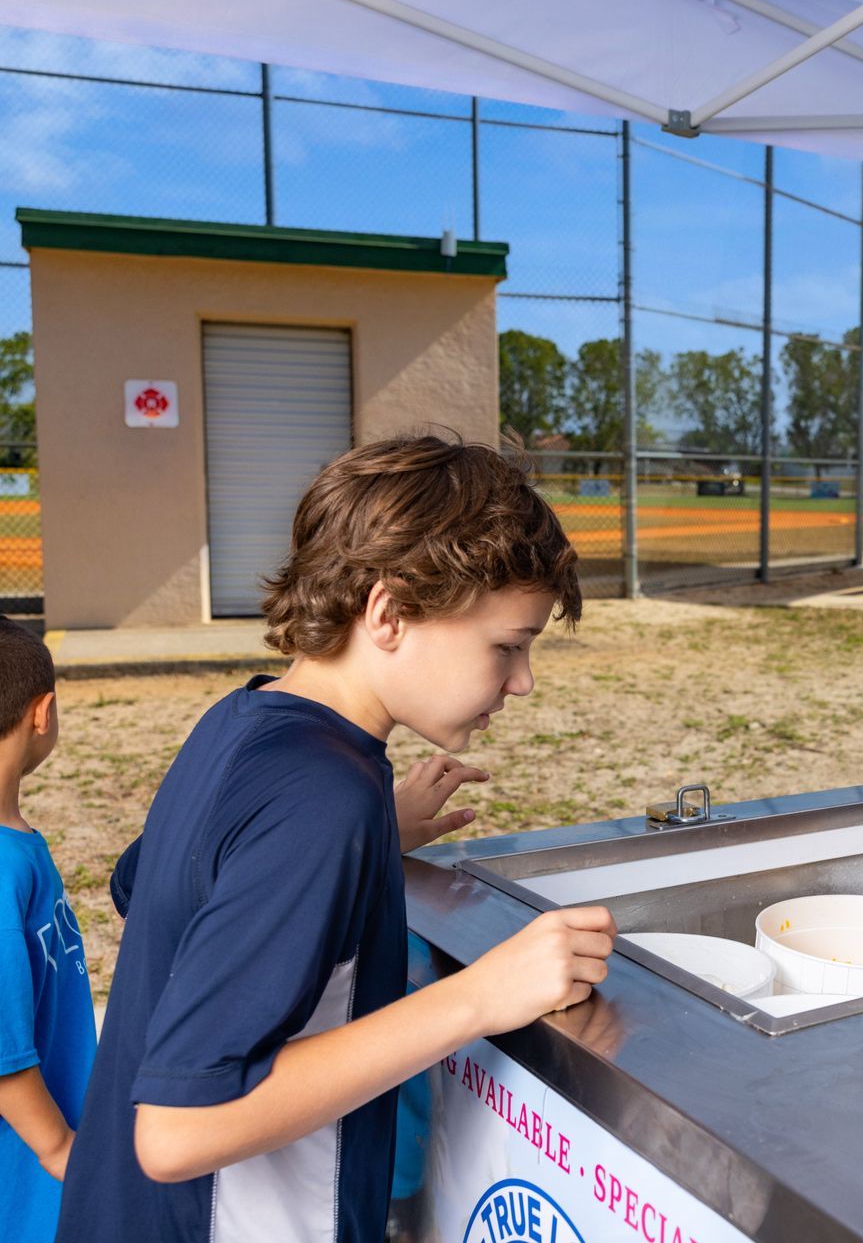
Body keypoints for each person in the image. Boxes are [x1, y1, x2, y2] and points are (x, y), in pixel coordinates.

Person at [58, 436, 619, 1243]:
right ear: (388, 614)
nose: (522, 681)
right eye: (508, 645)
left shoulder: (242, 721)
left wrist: (365, 840)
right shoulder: (324, 801)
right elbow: (178, 1133)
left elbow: (147, 883)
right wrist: (477, 998)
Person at [0, 617, 92, 1242]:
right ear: (43, 713)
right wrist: (60, 1148)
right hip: (27, 1180)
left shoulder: (20, 845)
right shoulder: (3, 867)